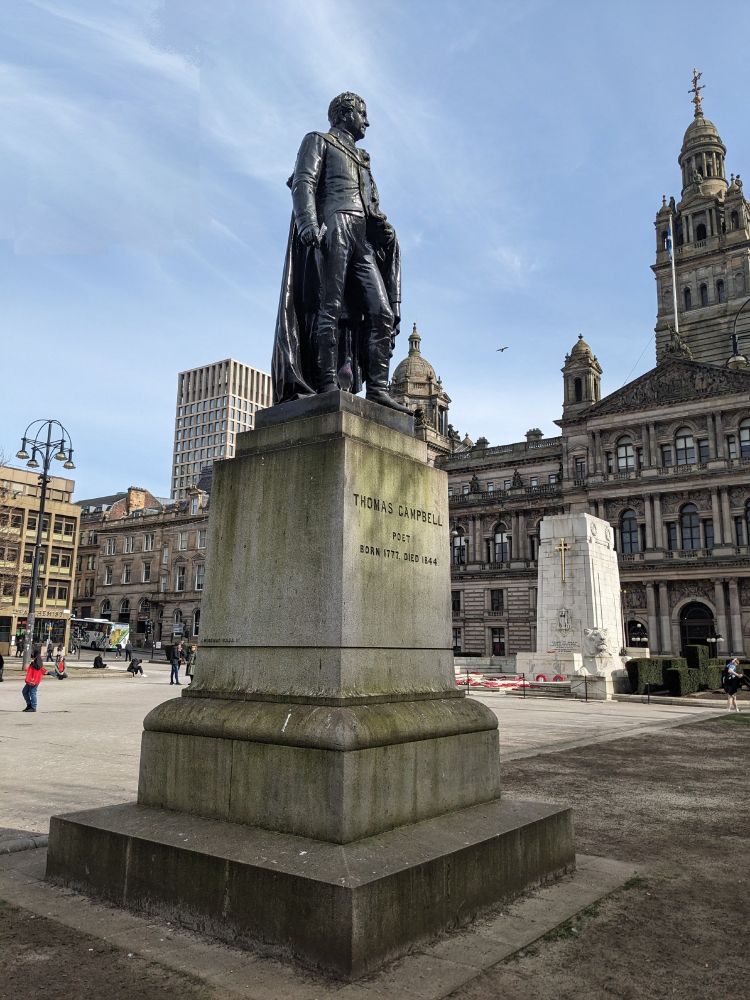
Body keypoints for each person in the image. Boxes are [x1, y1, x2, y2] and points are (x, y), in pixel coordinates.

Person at [272, 92, 410, 413]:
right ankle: (327, 382)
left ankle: (377, 388)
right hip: (334, 224)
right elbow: (303, 182)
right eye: (363, 113)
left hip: (363, 238)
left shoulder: (362, 157)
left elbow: (370, 202)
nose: (367, 121)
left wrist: (383, 228)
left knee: (382, 312)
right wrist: (308, 222)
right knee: (329, 306)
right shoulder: (318, 140)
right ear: (345, 114)